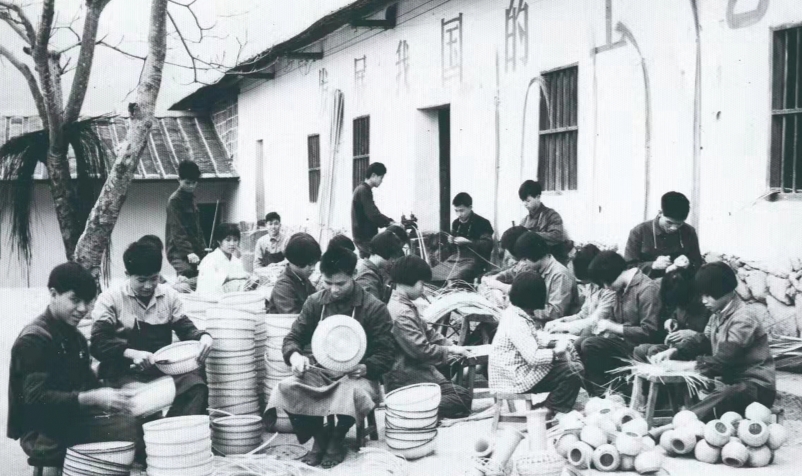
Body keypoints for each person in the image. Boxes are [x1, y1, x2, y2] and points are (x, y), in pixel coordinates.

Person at [264, 246, 395, 468]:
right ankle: (319, 436)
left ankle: (336, 437)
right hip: (321, 371)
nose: (333, 289)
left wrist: (366, 367)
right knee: (286, 387)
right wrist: (295, 356)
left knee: (351, 392)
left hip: (358, 375)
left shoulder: (374, 307)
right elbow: (293, 337)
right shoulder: (315, 302)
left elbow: (387, 353)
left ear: (354, 275)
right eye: (327, 283)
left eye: (340, 284)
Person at [7, 263, 139, 465]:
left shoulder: (75, 337)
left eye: (87, 302)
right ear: (53, 294)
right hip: (41, 429)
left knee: (135, 419)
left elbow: (89, 382)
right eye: (75, 300)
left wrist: (119, 394)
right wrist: (90, 398)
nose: (83, 309)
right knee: (128, 429)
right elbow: (35, 400)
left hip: (68, 416)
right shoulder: (34, 340)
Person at [91, 242, 214, 419]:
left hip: (161, 372)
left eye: (154, 278)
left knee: (196, 386)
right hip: (124, 374)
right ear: (127, 275)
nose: (148, 286)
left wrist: (203, 337)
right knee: (147, 404)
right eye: (141, 280)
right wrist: (131, 353)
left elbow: (186, 328)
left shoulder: (168, 296)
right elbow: (98, 342)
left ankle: (175, 430)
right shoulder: (111, 299)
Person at [383, 256, 474, 419]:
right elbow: (421, 350)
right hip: (406, 376)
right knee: (462, 397)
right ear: (409, 280)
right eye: (422, 284)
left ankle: (416, 407)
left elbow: (429, 332)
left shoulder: (404, 305)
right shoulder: (401, 313)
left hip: (414, 369)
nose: (423, 289)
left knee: (455, 378)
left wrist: (453, 346)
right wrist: (449, 351)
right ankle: (407, 410)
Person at [684, 263, 776, 421]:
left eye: (708, 295)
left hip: (756, 387)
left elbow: (724, 359)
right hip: (732, 383)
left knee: (726, 394)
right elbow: (704, 340)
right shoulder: (717, 314)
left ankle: (682, 422)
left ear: (723, 290)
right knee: (710, 389)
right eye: (702, 295)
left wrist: (688, 366)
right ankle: (688, 418)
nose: (703, 300)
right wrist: (675, 352)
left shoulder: (744, 318)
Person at [489, 272, 584, 416]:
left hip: (513, 372)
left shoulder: (515, 313)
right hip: (514, 378)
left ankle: (549, 406)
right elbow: (534, 358)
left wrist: (552, 342)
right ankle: (549, 410)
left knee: (568, 364)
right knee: (573, 370)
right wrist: (557, 351)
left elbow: (531, 340)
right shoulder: (516, 321)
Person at [574, 251, 661, 396]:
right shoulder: (620, 289)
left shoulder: (647, 289)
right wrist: (605, 328)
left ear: (611, 275)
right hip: (624, 342)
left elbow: (650, 331)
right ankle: (599, 394)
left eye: (604, 283)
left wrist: (613, 327)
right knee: (579, 343)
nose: (606, 287)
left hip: (640, 346)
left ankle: (607, 395)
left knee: (590, 345)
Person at [484, 232, 578, 323]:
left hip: (552, 324)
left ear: (534, 255)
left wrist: (525, 308)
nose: (522, 263)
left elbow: (556, 312)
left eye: (524, 259)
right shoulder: (533, 264)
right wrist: (496, 278)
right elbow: (512, 272)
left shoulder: (560, 275)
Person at [633, 269, 711, 363]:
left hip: (696, 351)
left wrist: (692, 334)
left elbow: (711, 341)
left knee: (654, 351)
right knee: (640, 350)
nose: (681, 307)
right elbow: (675, 315)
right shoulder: (679, 301)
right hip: (679, 347)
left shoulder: (708, 306)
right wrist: (672, 321)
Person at [624, 191, 703, 279]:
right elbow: (629, 267)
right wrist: (653, 265)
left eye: (679, 224)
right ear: (660, 213)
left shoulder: (689, 231)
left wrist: (688, 263)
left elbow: (698, 263)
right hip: (647, 283)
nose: (674, 228)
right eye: (669, 223)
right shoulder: (639, 231)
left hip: (678, 283)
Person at [545, 244, 615, 336]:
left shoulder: (610, 290)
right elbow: (583, 315)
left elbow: (595, 321)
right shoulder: (591, 286)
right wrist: (561, 321)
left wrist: (565, 326)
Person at [431, 192, 494, 285]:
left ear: (470, 207)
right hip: (457, 259)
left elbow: (488, 245)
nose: (459, 214)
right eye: (456, 211)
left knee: (459, 276)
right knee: (433, 273)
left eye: (461, 210)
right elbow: (452, 249)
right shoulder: (456, 223)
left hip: (475, 260)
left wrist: (468, 242)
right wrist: (451, 241)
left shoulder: (483, 223)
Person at [165, 160, 208, 291]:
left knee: (204, 274)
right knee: (187, 275)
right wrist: (188, 252)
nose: (191, 186)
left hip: (194, 248)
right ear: (179, 180)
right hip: (178, 250)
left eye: (194, 183)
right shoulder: (174, 201)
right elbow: (177, 229)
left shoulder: (191, 199)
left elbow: (198, 229)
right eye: (187, 183)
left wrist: (203, 250)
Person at [518, 180, 572, 264]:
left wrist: (531, 235)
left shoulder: (552, 216)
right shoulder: (524, 221)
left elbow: (557, 236)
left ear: (538, 197)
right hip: (532, 263)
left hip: (552, 262)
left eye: (528, 201)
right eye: (523, 201)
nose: (525, 204)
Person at [196, 223, 256, 296]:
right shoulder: (210, 259)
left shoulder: (236, 260)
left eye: (235, 240)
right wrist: (229, 277)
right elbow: (207, 286)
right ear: (219, 241)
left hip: (232, 297)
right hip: (211, 298)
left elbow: (240, 279)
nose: (232, 244)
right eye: (228, 240)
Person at [268, 233, 322, 314]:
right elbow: (292, 317)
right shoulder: (283, 287)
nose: (313, 268)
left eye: (314, 264)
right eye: (310, 264)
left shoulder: (302, 278)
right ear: (297, 261)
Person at [351, 162, 395, 258]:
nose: (381, 181)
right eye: (381, 177)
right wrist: (389, 222)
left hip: (362, 237)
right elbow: (372, 214)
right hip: (365, 238)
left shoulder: (361, 189)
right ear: (373, 175)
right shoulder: (364, 190)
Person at [355, 230, 405, 304]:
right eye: (393, 257)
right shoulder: (367, 277)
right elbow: (372, 308)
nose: (393, 261)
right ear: (387, 252)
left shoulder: (372, 271)